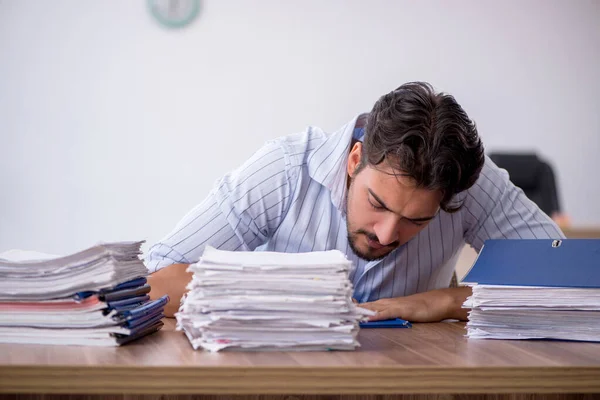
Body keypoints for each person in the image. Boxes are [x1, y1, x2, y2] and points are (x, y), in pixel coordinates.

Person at [146, 82, 564, 319]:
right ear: (355, 158)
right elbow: (157, 277)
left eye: (417, 220)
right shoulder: (285, 169)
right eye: (379, 204)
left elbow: (566, 281)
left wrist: (444, 301)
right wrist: (284, 292)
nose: (386, 234)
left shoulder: (467, 181)